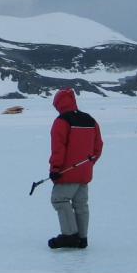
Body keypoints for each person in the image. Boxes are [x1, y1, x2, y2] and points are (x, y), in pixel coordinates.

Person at [47, 87, 103, 249]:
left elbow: (58, 148)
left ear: (59, 104)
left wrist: (55, 169)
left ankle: (70, 235)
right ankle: (82, 237)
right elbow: (98, 146)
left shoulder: (62, 121)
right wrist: (89, 164)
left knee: (59, 199)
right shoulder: (90, 120)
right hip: (84, 172)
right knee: (81, 204)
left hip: (66, 172)